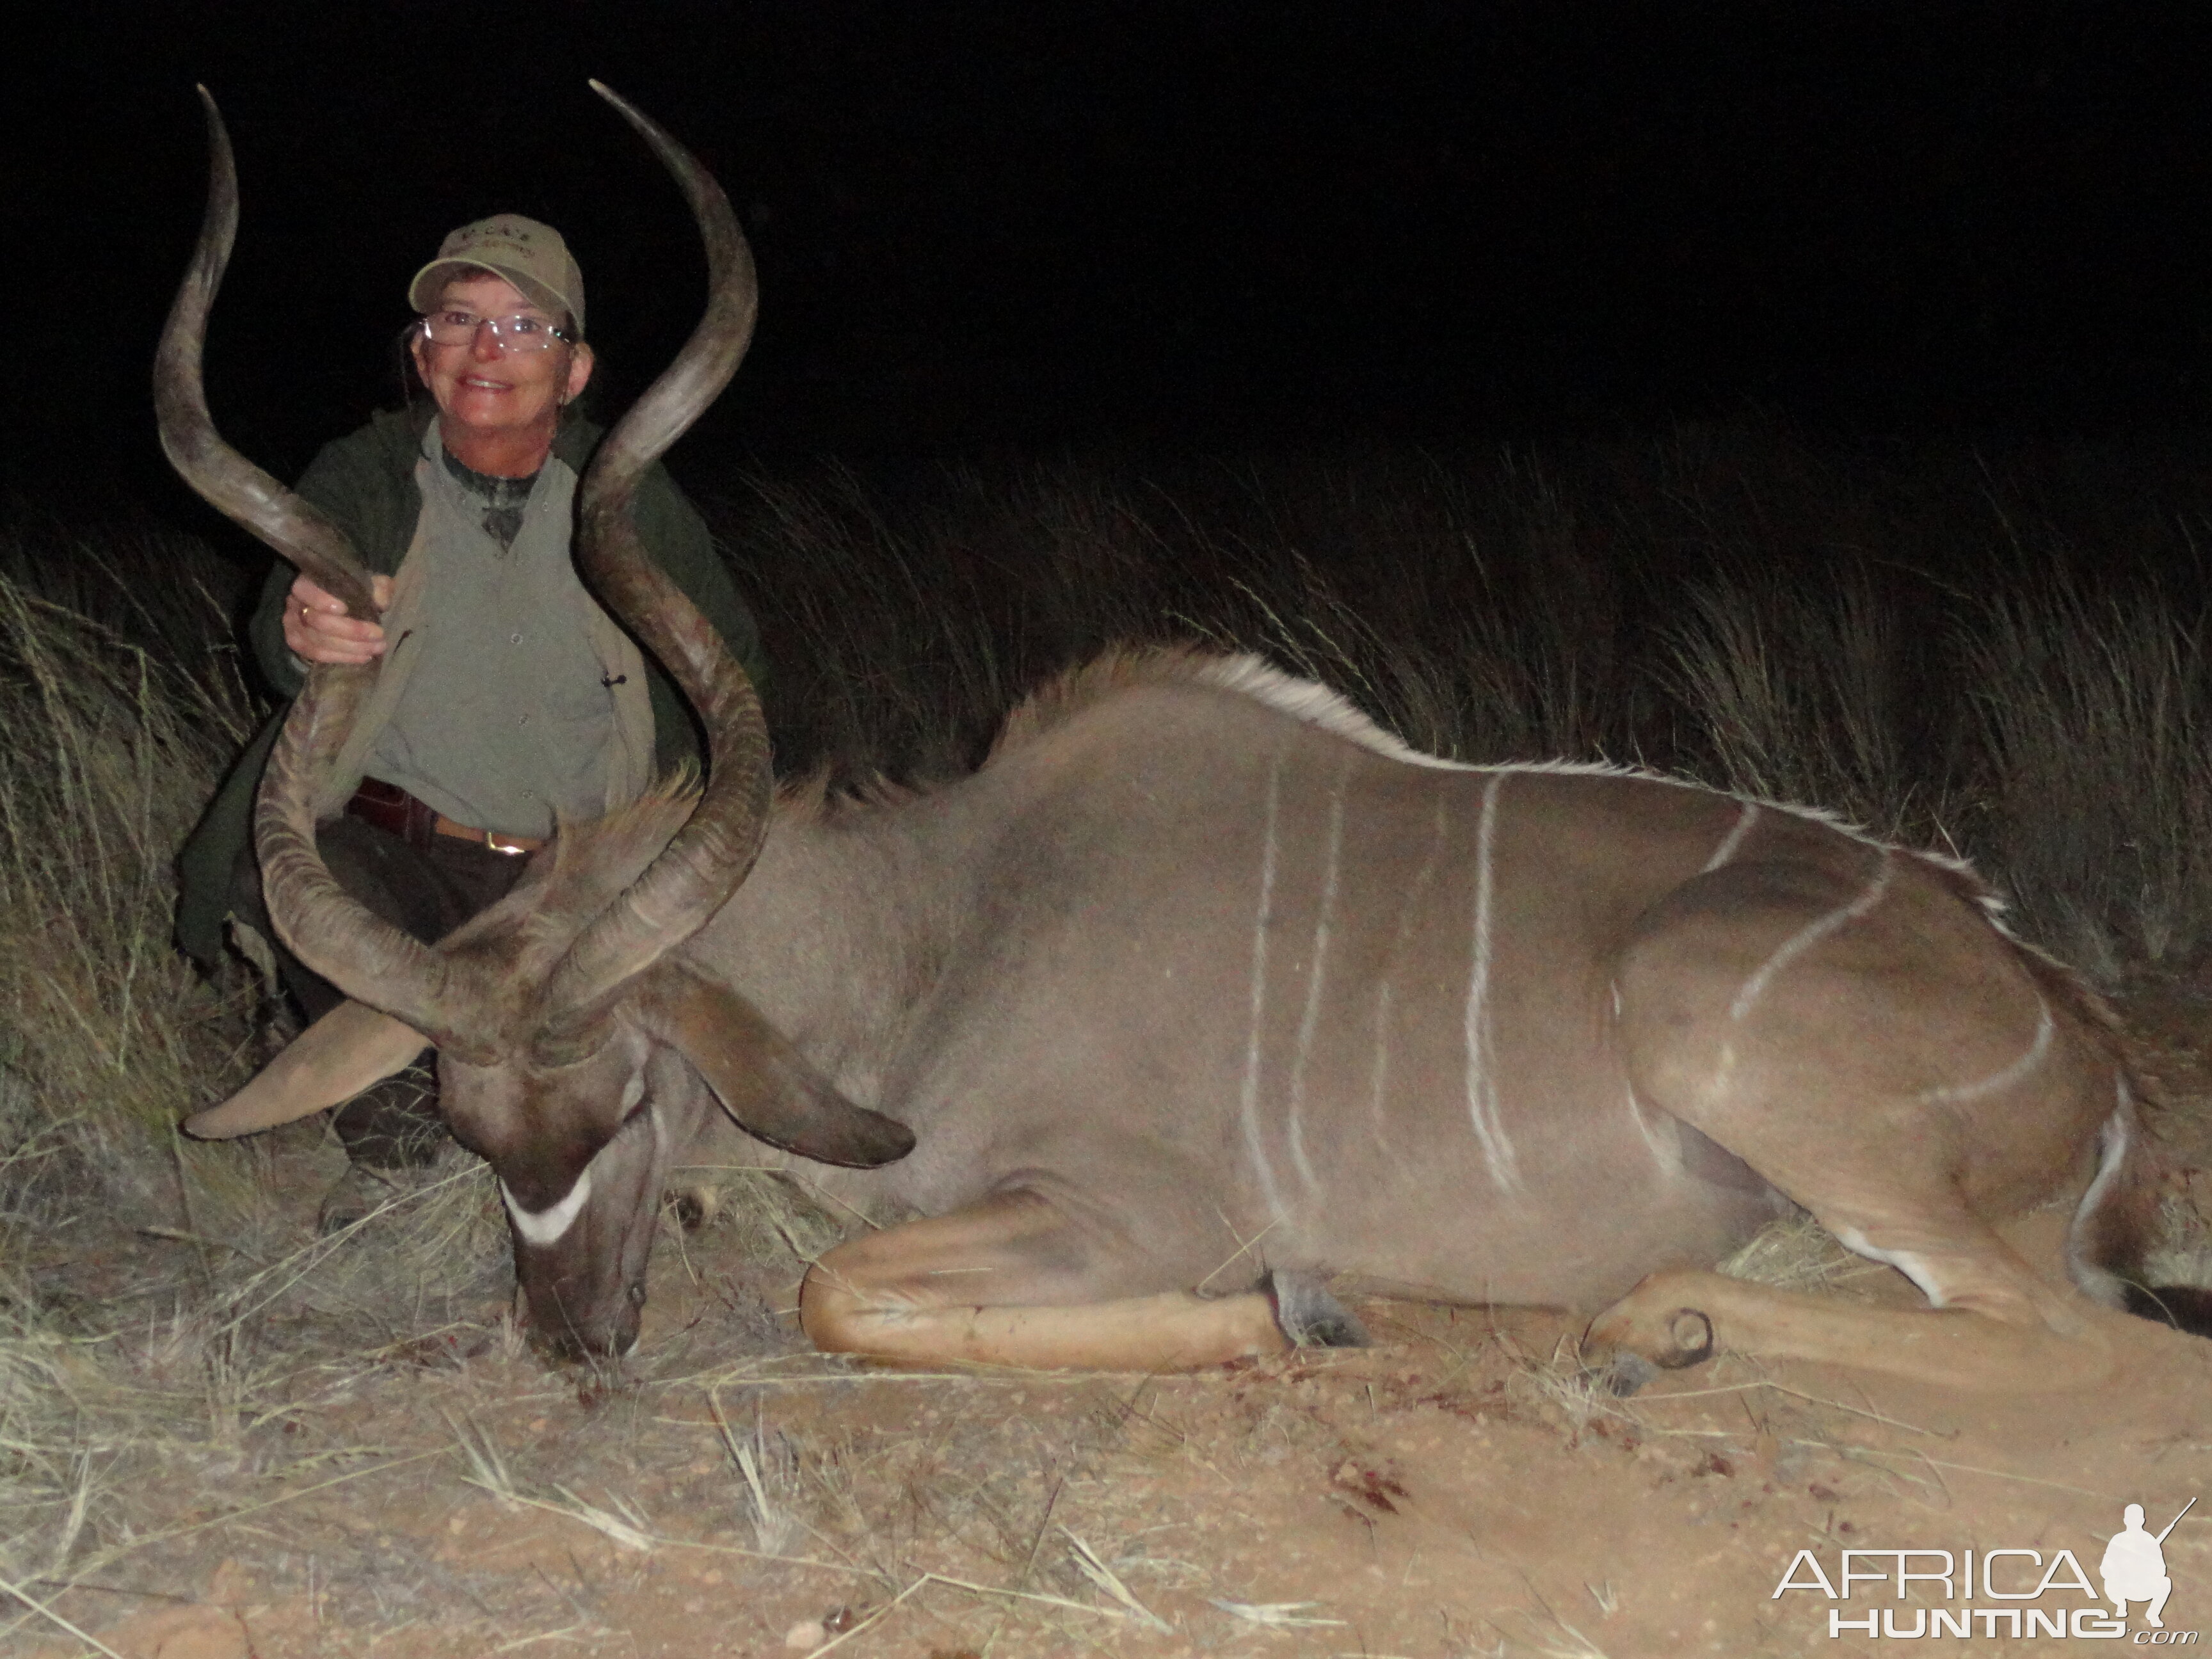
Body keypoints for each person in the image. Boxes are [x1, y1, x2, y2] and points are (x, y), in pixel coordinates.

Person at [175, 213, 769, 1226]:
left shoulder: (625, 494)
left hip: (575, 880)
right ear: (422, 355)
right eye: (458, 320)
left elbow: (737, 676)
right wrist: (307, 626)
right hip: (406, 861)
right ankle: (406, 1131)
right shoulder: (363, 477)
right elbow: (284, 650)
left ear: (575, 372)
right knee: (292, 880)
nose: (487, 348)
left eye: (525, 326)